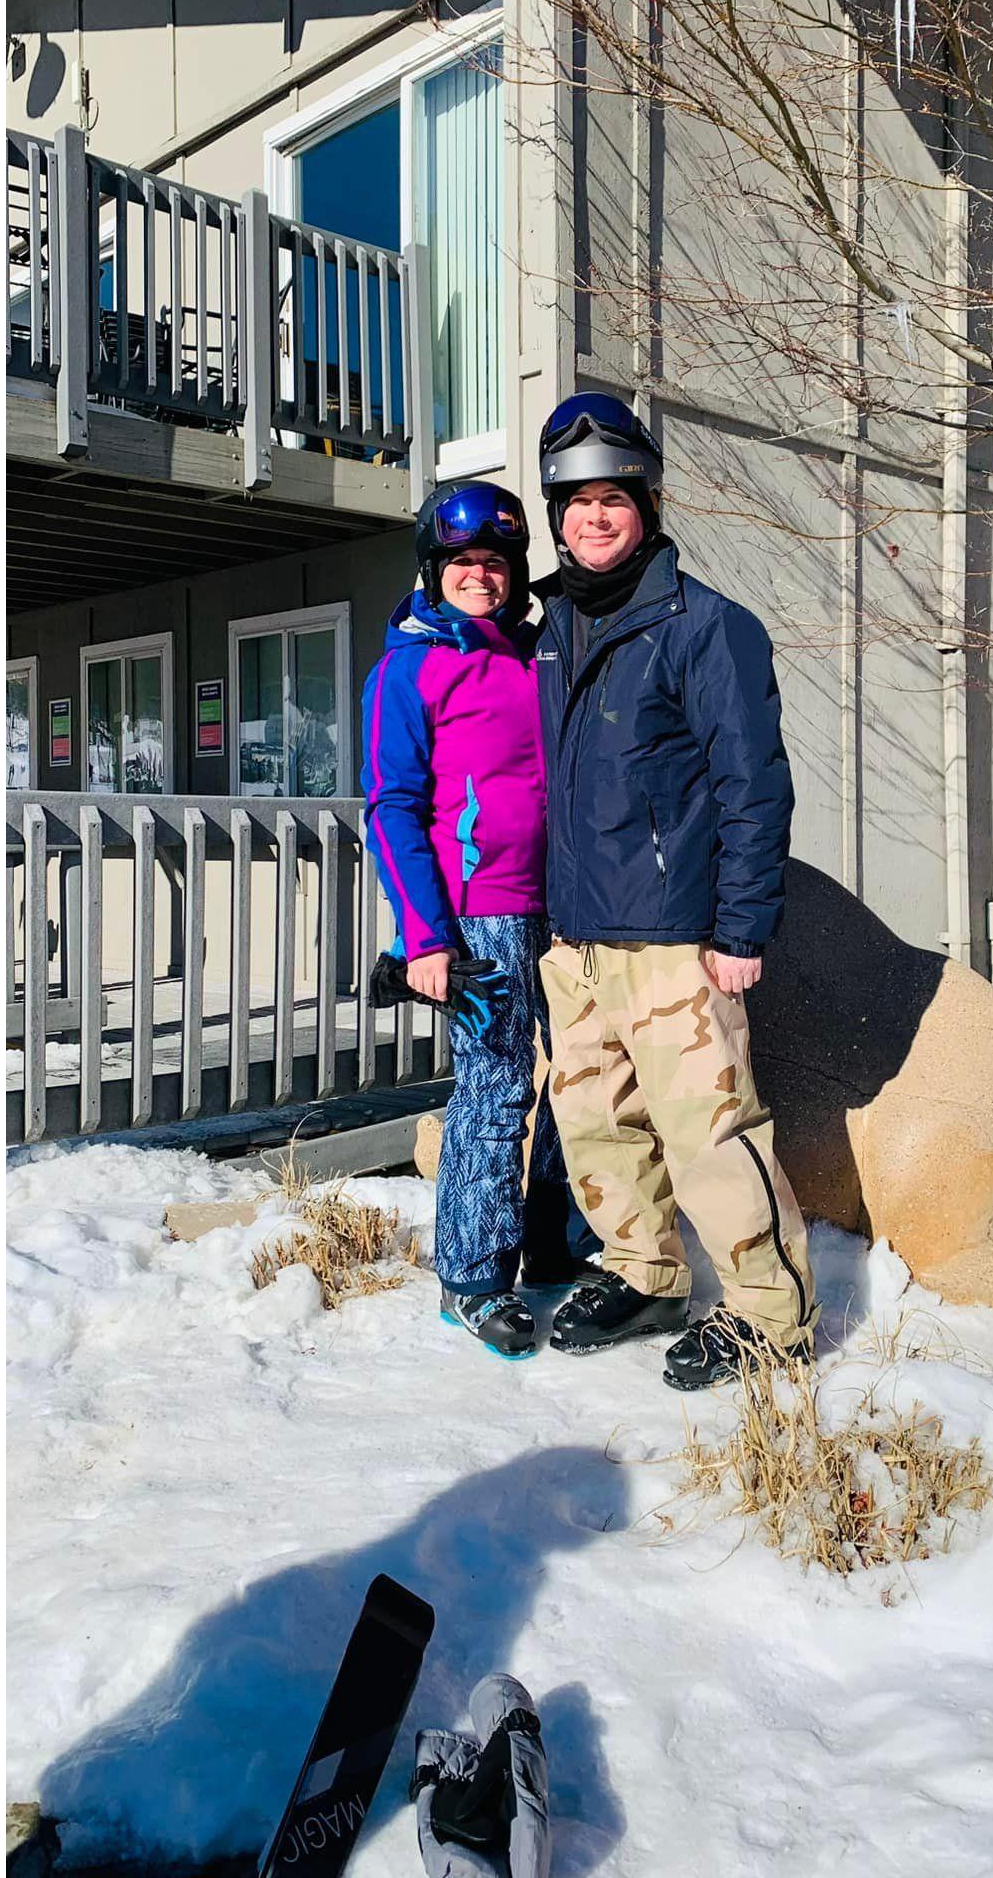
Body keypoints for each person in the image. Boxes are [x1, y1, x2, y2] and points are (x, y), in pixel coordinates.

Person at [529, 393, 819, 1391]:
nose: (591, 518)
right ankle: (644, 1269)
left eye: (612, 498)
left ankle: (770, 1314)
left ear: (646, 507)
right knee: (594, 1120)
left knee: (708, 1129)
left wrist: (741, 926)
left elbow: (754, 785)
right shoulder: (552, 626)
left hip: (671, 936)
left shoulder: (708, 629)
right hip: (577, 939)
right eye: (574, 501)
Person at [360, 480, 599, 1359]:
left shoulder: (536, 657)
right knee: (495, 1090)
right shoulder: (407, 670)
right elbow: (391, 808)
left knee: (581, 1078)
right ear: (434, 571)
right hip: (480, 911)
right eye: (462, 562)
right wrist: (423, 937)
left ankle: (556, 1242)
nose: (481, 577)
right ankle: (471, 1276)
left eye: (495, 563)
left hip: (568, 903)